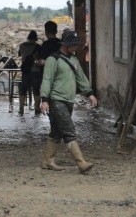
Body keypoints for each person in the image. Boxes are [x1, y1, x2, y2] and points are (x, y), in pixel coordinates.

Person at [39, 29, 98, 174]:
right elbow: (47, 80)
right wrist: (44, 100)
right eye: (73, 45)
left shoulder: (74, 60)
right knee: (69, 131)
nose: (75, 47)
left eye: (76, 45)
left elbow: (81, 78)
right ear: (65, 45)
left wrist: (89, 93)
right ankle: (81, 163)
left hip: (69, 100)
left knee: (57, 131)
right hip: (56, 100)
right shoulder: (53, 60)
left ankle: (48, 161)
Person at [17, 30, 42, 116]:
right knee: (36, 90)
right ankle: (37, 109)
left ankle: (21, 108)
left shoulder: (22, 45)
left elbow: (19, 55)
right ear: (35, 38)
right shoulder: (38, 47)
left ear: (28, 37)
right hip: (35, 71)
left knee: (23, 90)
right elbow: (40, 58)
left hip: (25, 72)